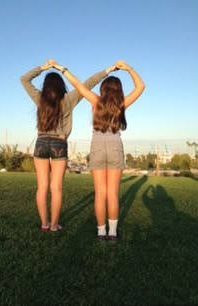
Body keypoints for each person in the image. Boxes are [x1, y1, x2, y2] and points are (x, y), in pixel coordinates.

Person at [49, 59, 145, 240]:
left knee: (100, 193)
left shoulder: (95, 100)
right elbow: (141, 86)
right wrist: (129, 68)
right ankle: (113, 233)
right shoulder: (121, 104)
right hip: (116, 145)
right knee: (113, 193)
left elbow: (77, 84)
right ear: (119, 90)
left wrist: (63, 69)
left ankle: (101, 233)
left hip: (97, 146)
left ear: (103, 89)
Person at [20, 60, 117, 232]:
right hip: (59, 142)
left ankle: (44, 224)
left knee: (42, 187)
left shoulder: (39, 99)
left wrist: (42, 68)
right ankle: (55, 225)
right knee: (56, 187)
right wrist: (107, 71)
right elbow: (87, 84)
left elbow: (24, 79)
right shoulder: (69, 99)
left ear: (46, 85)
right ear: (60, 86)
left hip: (41, 141)